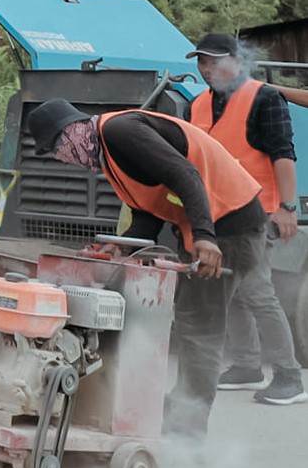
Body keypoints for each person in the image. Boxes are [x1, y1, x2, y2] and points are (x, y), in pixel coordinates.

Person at [26, 99, 267, 439]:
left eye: (58, 147)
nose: (62, 157)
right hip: (208, 226)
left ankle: (188, 432)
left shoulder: (118, 131)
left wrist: (205, 237)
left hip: (231, 226)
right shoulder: (111, 156)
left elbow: (185, 173)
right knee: (189, 321)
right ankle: (180, 412)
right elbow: (147, 213)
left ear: (73, 129)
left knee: (200, 327)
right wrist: (120, 246)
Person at [184, 33, 306, 405]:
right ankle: (247, 365)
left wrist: (287, 207)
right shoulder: (199, 104)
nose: (208, 69)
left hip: (258, 213)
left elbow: (283, 154)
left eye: (215, 61)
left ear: (237, 60)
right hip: (219, 215)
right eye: (202, 62)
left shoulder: (264, 98)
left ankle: (288, 376)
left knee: (256, 291)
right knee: (231, 290)